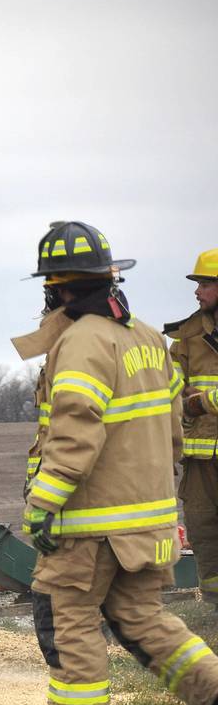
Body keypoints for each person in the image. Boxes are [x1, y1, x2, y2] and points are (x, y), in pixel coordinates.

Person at [13, 221, 218, 705]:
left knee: (65, 618)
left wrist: (43, 505)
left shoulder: (82, 342)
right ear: (109, 278)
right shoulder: (150, 339)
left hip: (90, 527)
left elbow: (75, 431)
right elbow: (176, 426)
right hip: (147, 519)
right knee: (142, 618)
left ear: (60, 287)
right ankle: (213, 687)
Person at [166, 248, 218, 604]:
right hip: (201, 462)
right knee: (203, 531)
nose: (197, 291)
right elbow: (168, 393)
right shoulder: (187, 336)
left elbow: (190, 400)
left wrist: (201, 402)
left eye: (204, 283)